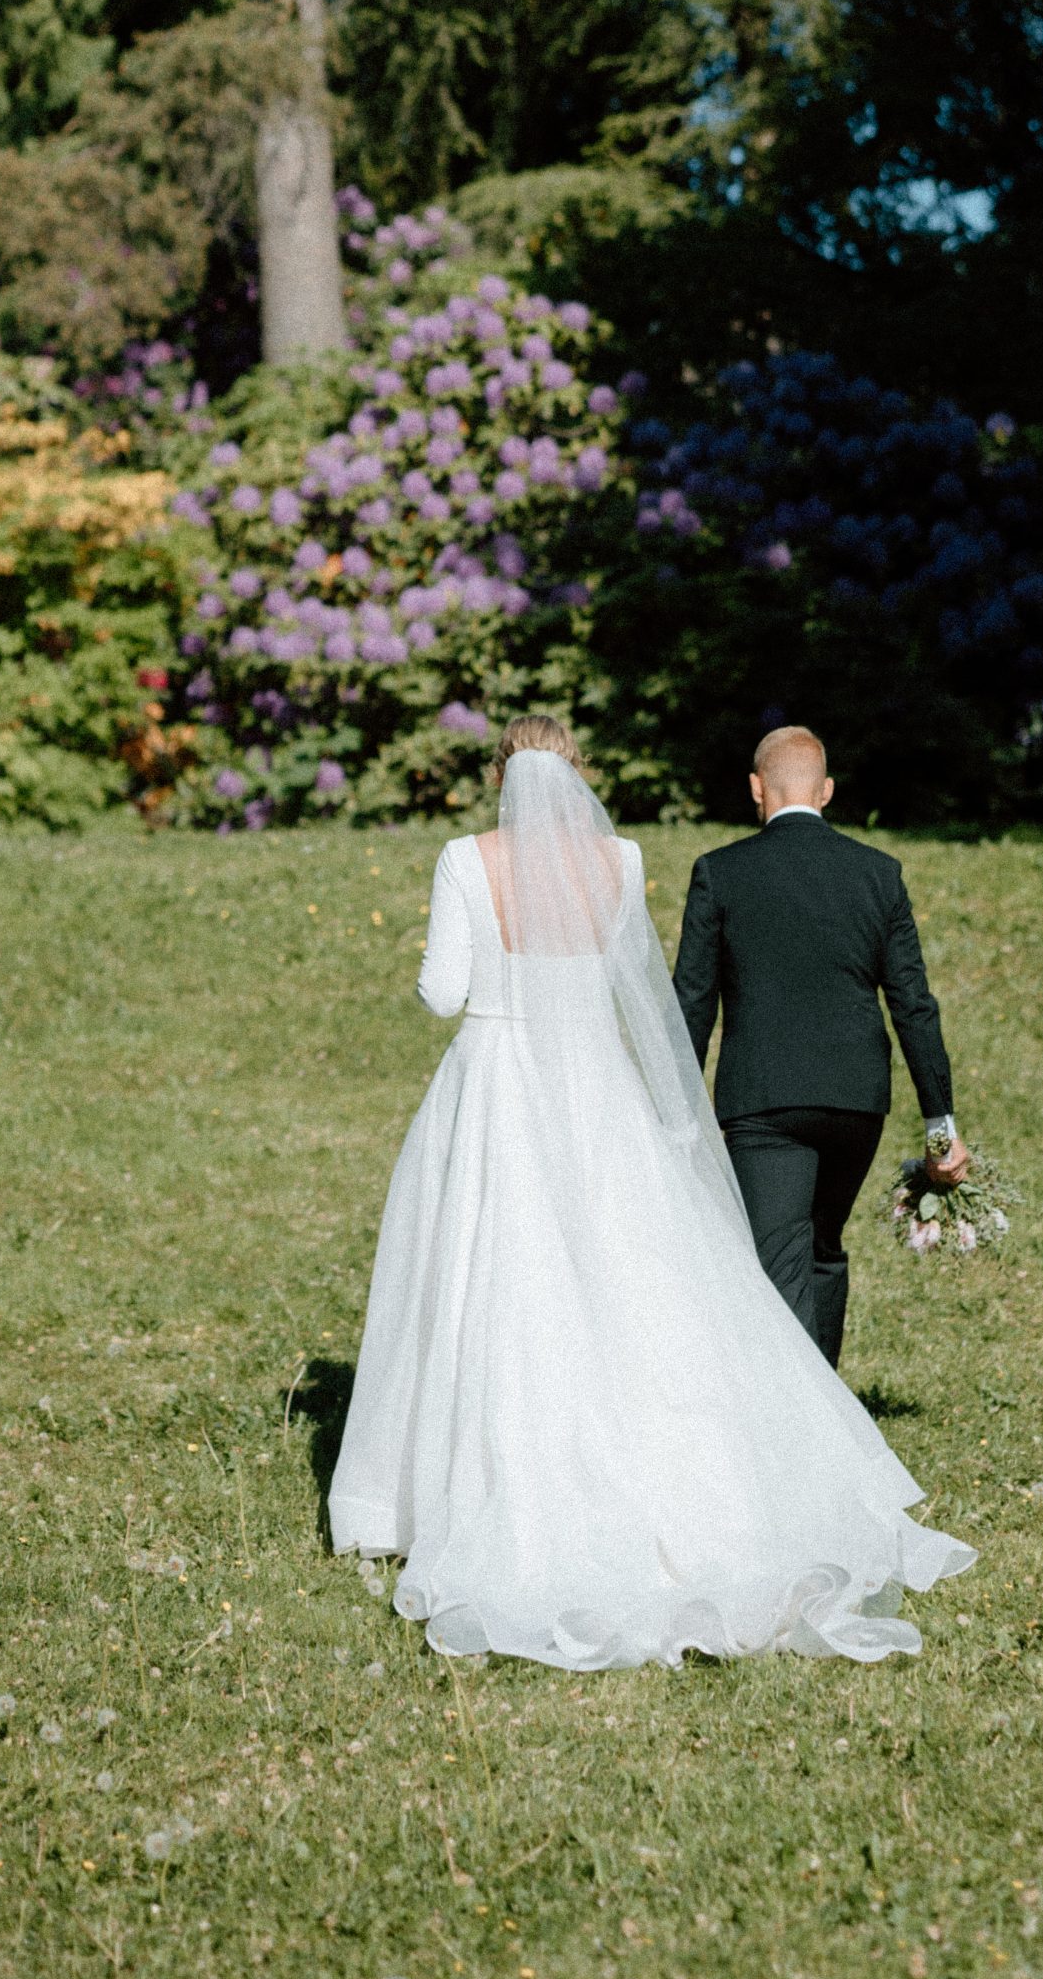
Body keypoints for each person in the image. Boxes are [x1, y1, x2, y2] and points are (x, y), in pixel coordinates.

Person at [328, 714, 973, 1671]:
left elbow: (441, 993)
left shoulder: (466, 859)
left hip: (500, 1080)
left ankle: (443, 1492)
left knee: (491, 1270)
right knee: (633, 1281)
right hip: (598, 1087)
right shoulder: (622, 861)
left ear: (501, 778)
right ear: (576, 776)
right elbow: (639, 989)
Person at [673, 724, 967, 1372]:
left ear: (756, 788)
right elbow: (913, 1005)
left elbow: (692, 1001)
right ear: (826, 790)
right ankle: (823, 1413)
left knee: (778, 1260)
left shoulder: (720, 874)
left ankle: (799, 1443)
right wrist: (940, 1129)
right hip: (854, 1100)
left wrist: (674, 1111)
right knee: (822, 1248)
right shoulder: (878, 875)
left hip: (763, 1100)